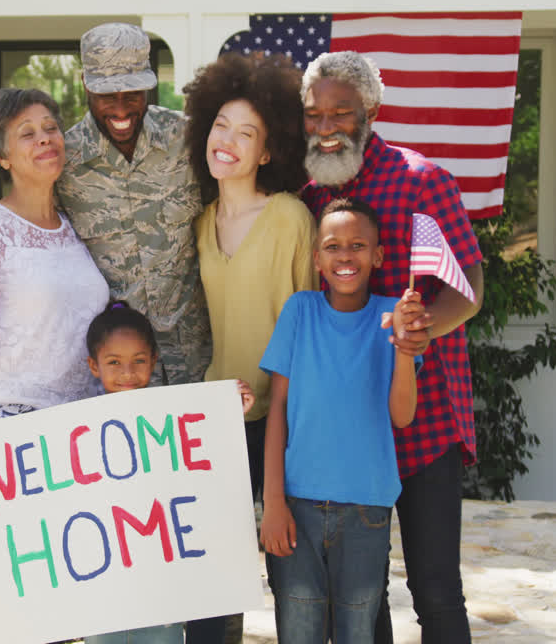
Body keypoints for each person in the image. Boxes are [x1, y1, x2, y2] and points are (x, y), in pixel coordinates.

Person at [298, 51, 485, 643]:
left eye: (341, 114)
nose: (326, 128)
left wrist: (422, 327)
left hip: (424, 419)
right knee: (360, 596)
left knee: (434, 590)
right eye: (314, 115)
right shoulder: (306, 196)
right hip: (351, 429)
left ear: (370, 111)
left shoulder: (422, 179)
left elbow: (472, 287)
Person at [55, 23, 227, 644]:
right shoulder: (64, 159)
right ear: (86, 86)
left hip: (190, 372)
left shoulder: (190, 142)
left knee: (204, 538)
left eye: (134, 92)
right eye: (108, 95)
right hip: (114, 388)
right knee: (129, 539)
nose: (122, 109)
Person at [0, 87, 110, 644]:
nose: (45, 139)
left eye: (50, 127)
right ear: (4, 156)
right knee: (8, 600)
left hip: (69, 435)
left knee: (64, 598)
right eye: (27, 133)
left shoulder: (74, 227)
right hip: (1, 425)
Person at [259, 197, 422, 643]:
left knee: (357, 632)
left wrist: (405, 350)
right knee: (299, 631)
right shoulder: (300, 311)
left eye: (357, 245)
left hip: (366, 511)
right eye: (332, 246)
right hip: (297, 508)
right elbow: (278, 412)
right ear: (317, 259)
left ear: (378, 255)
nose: (345, 256)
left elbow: (402, 417)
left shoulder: (394, 315)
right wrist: (272, 502)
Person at [182, 51, 315, 506]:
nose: (228, 140)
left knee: (281, 555)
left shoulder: (290, 217)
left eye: (246, 133)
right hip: (218, 409)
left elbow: (312, 321)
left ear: (268, 151)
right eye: (221, 125)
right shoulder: (201, 223)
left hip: (282, 411)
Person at [81, 301, 254, 644]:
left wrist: (229, 413)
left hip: (162, 588)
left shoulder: (171, 421)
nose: (127, 372)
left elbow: (205, 468)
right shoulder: (78, 426)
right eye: (114, 362)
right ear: (93, 365)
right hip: (106, 591)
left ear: (154, 361)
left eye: (138, 361)